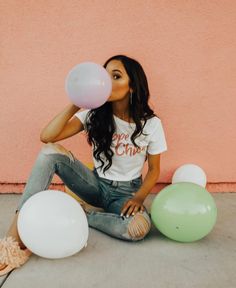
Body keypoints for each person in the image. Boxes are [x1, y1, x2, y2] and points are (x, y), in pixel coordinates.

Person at [0, 55, 167, 276]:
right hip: (95, 185)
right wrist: (76, 102)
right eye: (104, 75)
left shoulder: (151, 124)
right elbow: (47, 136)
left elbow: (155, 170)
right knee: (49, 153)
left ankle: (84, 214)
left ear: (132, 86)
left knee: (138, 229)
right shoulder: (92, 114)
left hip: (126, 194)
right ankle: (12, 242)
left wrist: (138, 198)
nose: (106, 82)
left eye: (115, 76)